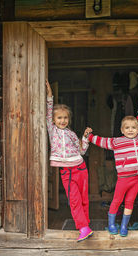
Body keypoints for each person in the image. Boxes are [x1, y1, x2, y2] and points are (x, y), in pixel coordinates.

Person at [86, 96, 138, 237]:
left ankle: (124, 226)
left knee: (130, 202)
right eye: (127, 128)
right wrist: (89, 136)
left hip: (136, 178)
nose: (131, 130)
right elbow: (102, 141)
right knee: (117, 201)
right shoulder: (117, 142)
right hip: (123, 179)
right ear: (122, 130)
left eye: (134, 128)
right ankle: (111, 224)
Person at [46, 80, 93, 242]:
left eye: (65, 118)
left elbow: (82, 150)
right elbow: (48, 111)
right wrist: (50, 95)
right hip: (67, 172)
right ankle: (83, 227)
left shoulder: (72, 134)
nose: (63, 120)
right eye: (59, 118)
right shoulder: (52, 131)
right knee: (74, 201)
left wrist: (85, 137)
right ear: (53, 120)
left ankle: (86, 227)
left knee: (83, 199)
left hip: (80, 167)